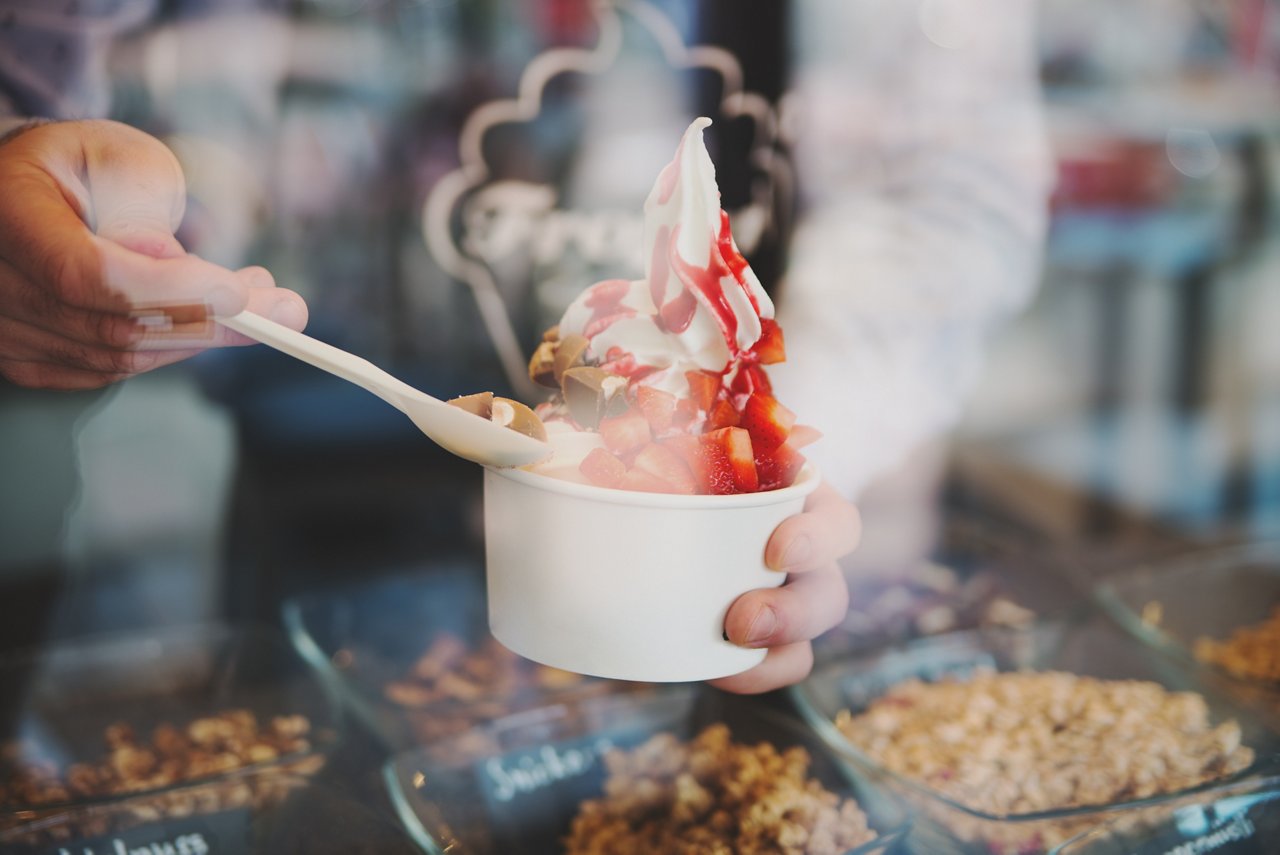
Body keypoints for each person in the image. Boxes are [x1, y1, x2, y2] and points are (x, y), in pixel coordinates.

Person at [0, 0, 1048, 694]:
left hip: (721, 576)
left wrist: (758, 457)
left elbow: (942, 190)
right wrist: (94, 173)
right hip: (311, 476)